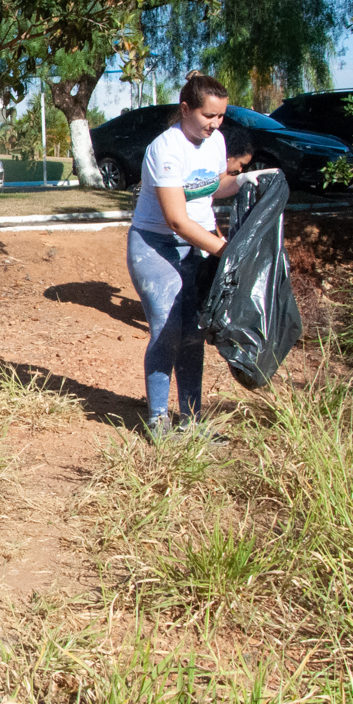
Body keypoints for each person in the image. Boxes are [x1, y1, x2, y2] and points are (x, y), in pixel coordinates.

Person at [126, 73, 268, 441]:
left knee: (194, 331)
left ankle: (191, 421)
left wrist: (248, 182)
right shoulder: (166, 149)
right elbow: (175, 218)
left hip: (197, 245)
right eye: (208, 116)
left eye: (220, 116)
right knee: (169, 328)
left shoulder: (216, 141)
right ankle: (158, 421)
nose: (215, 124)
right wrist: (224, 250)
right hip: (156, 246)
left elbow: (214, 185)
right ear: (186, 109)